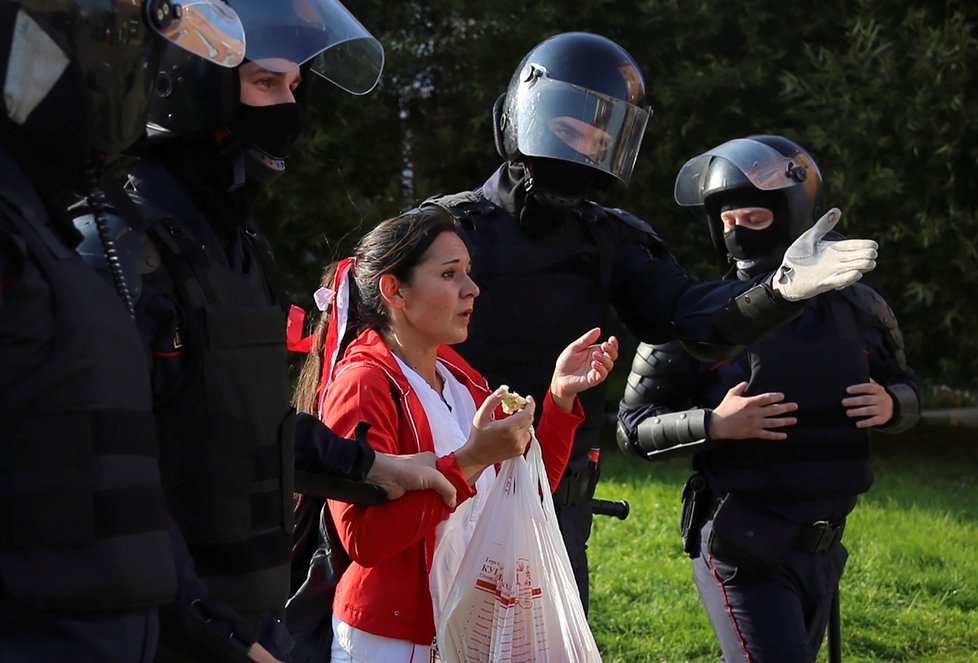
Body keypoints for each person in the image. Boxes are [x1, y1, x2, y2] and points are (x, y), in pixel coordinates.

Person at [423, 31, 880, 613]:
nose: (581, 151)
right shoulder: (443, 227)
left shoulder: (608, 236)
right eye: (568, 130)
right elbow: (373, 353)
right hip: (447, 480)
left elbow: (693, 320)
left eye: (597, 138)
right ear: (522, 116)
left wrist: (778, 291)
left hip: (555, 498)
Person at [70, 2, 453, 661]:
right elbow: (101, 485)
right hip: (157, 634)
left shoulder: (239, 246)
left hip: (248, 619)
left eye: (295, 88)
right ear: (191, 85)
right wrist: (216, 637)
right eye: (265, 84)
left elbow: (245, 425)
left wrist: (368, 463)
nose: (288, 109)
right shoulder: (116, 247)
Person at [0, 1, 246, 661]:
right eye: (112, 36)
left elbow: (123, 490)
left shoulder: (58, 233)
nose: (128, 65)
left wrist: (208, 630)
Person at [616, 135, 920, 662]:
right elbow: (631, 428)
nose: (737, 234)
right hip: (742, 545)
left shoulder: (861, 307)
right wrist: (713, 423)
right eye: (726, 223)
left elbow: (905, 384)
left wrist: (894, 404)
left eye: (753, 220)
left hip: (823, 546)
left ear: (795, 215)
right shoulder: (700, 316)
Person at [290, 207, 619, 661]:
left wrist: (561, 399)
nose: (471, 288)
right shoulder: (363, 382)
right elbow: (363, 541)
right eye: (449, 274)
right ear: (395, 290)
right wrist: (470, 460)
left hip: (470, 625)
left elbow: (523, 490)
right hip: (395, 641)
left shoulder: (458, 375)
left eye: (467, 271)